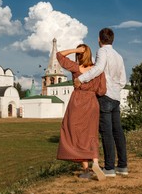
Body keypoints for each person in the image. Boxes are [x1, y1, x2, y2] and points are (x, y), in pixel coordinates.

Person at [74, 28, 128, 177]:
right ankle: (122, 166)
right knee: (118, 132)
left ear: (99, 39)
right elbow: (123, 80)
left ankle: (109, 168)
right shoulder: (119, 56)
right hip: (116, 97)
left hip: (105, 96)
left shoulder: (102, 52)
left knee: (106, 132)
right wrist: (115, 88)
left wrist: (81, 79)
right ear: (112, 39)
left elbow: (98, 69)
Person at [56, 44, 107, 181]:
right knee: (91, 134)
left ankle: (86, 170)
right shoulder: (98, 70)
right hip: (92, 102)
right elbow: (102, 91)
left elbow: (59, 56)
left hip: (77, 102)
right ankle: (95, 163)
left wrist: (75, 50)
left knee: (75, 134)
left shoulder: (75, 68)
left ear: (79, 55)